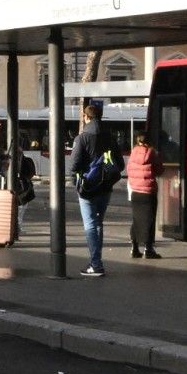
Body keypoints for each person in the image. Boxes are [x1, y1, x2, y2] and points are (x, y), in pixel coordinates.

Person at [68, 102, 116, 276]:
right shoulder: (109, 136)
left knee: (90, 225)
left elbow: (73, 165)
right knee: (98, 223)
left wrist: (77, 183)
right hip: (105, 186)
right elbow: (119, 163)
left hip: (87, 186)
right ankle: (97, 261)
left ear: (86, 117)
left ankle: (95, 264)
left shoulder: (82, 138)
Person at [125, 130, 164, 259]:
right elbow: (159, 170)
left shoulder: (133, 152)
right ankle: (148, 248)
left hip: (135, 191)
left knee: (137, 219)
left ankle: (134, 248)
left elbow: (129, 170)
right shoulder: (153, 153)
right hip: (148, 192)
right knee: (149, 220)